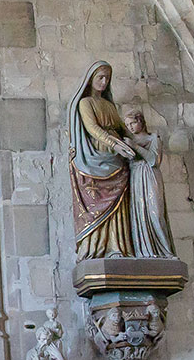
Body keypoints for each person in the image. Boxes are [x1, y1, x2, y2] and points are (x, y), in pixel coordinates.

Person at [69, 60, 138, 261]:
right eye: (100, 77)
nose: (104, 82)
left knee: (119, 205)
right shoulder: (85, 103)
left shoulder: (108, 105)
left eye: (107, 78)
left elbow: (120, 126)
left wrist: (136, 141)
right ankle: (96, 248)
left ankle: (118, 247)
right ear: (91, 79)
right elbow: (92, 129)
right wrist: (114, 144)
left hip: (117, 157)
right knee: (97, 201)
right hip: (96, 156)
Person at [121, 105, 178, 258]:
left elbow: (154, 160)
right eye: (127, 125)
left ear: (141, 121)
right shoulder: (127, 141)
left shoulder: (154, 138)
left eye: (132, 123)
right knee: (139, 215)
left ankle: (165, 252)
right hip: (135, 178)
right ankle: (145, 253)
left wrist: (135, 147)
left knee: (156, 213)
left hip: (150, 175)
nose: (130, 127)